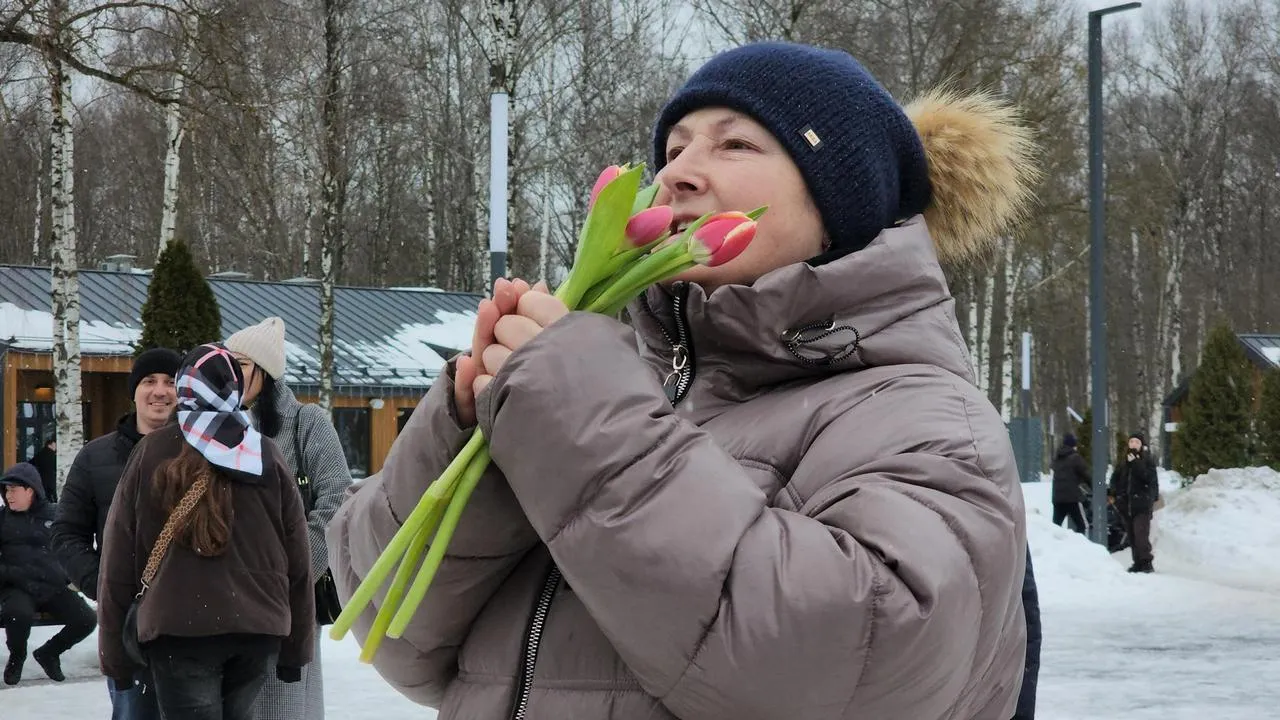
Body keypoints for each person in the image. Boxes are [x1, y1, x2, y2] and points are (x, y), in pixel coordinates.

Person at [330, 41, 1036, 719]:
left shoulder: (931, 418)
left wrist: (583, 415)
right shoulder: (625, 388)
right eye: (674, 150)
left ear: (841, 205)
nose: (678, 175)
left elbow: (854, 664)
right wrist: (471, 434)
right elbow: (400, 643)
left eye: (736, 145)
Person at [97, 343, 316, 720]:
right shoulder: (264, 454)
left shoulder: (153, 451)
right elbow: (297, 558)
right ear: (234, 388)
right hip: (256, 629)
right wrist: (296, 650)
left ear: (185, 387)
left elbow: (119, 556)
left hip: (178, 628)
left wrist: (115, 655)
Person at [225, 316, 353, 720]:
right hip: (224, 598)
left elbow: (337, 499)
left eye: (242, 364)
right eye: (226, 363)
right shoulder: (215, 427)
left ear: (265, 371)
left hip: (287, 600)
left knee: (282, 703)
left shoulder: (305, 422)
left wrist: (295, 571)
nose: (230, 374)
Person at [52, 346, 180, 719]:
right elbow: (66, 533)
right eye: (149, 381)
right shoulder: (95, 457)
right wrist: (104, 584)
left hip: (193, 619)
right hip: (127, 623)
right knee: (134, 711)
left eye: (171, 382)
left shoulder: (201, 454)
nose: (160, 391)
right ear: (134, 391)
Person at [0, 462, 95, 686]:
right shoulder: (2, 519)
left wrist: (70, 574)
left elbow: (73, 545)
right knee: (17, 615)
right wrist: (7, 573)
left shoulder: (55, 514)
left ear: (30, 490)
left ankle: (49, 652)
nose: (8, 495)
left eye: (13, 490)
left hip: (52, 585)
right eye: (6, 490)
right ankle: (17, 657)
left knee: (86, 619)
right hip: (17, 586)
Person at [1109, 432, 1159, 573]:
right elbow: (1115, 478)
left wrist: (1136, 463)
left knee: (1141, 535)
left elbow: (1149, 478)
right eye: (1131, 442)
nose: (1133, 445)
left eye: (1137, 442)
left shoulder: (1146, 460)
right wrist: (1115, 493)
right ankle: (1137, 562)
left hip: (1142, 504)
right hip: (1126, 505)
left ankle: (1146, 562)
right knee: (1131, 536)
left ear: (1142, 445)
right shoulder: (1123, 462)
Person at [1050, 433, 1089, 533]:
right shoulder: (1075, 458)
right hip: (1071, 498)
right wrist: (1095, 488)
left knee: (1055, 527)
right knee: (1081, 526)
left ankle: (1053, 542)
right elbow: (1086, 475)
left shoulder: (1057, 458)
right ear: (1073, 445)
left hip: (1058, 498)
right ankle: (1079, 543)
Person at [27, 431, 58, 503]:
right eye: (55, 444)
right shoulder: (53, 455)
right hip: (51, 478)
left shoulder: (41, 454)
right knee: (52, 495)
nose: (56, 447)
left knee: (45, 495)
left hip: (42, 478)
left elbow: (31, 463)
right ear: (50, 445)